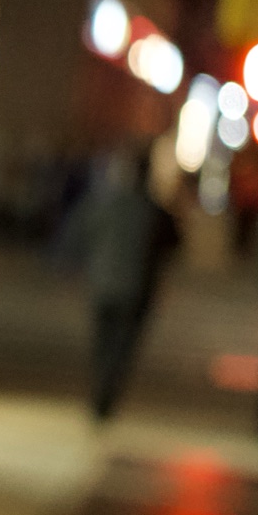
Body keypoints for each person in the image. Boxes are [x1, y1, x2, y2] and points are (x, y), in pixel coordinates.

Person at [75, 142, 181, 420]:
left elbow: (83, 232)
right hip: (135, 290)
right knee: (121, 346)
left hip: (104, 284)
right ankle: (106, 394)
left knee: (103, 342)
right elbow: (174, 245)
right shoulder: (154, 211)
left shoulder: (106, 203)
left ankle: (100, 392)